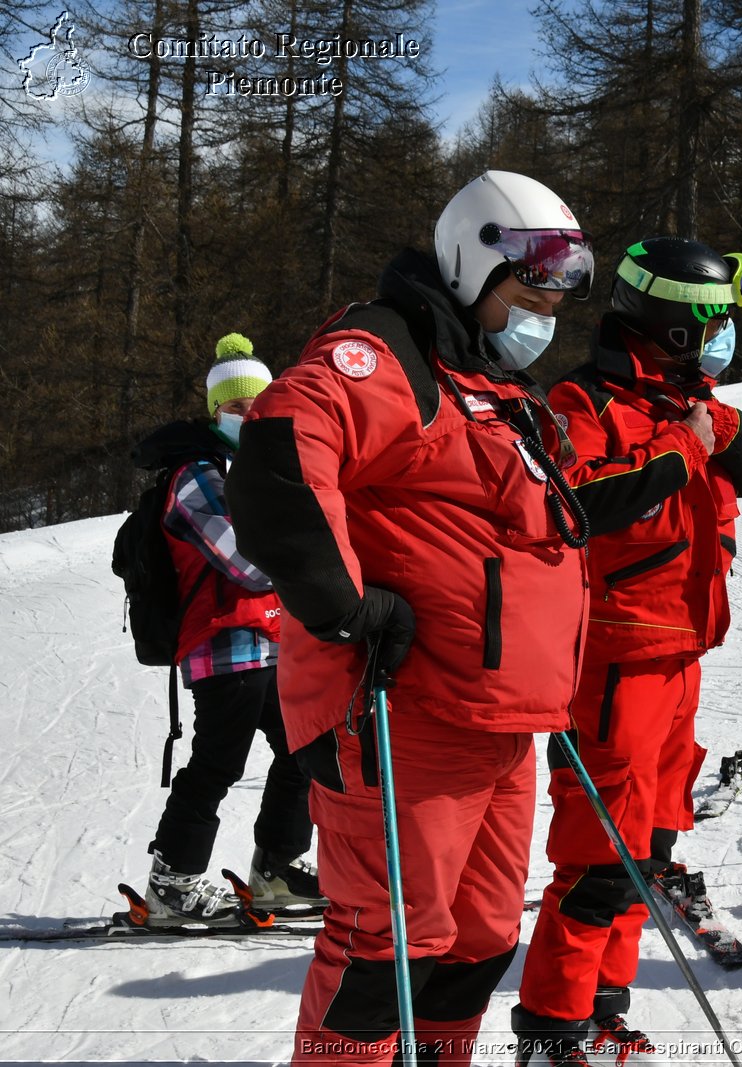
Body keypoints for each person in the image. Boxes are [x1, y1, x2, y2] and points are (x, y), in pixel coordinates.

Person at [224, 171, 595, 1066]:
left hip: (501, 723)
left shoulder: (487, 385)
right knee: (386, 949)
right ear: (473, 265)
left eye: (562, 285)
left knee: (478, 941)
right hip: (402, 714)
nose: (549, 306)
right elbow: (280, 454)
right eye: (533, 282)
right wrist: (348, 608)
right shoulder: (388, 353)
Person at [512, 236, 742, 1066]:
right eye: (715, 321)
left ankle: (603, 1005)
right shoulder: (581, 400)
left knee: (647, 852)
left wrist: (711, 425)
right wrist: (684, 446)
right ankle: (551, 1027)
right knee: (600, 855)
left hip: (679, 658)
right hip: (614, 659)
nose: (724, 336)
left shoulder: (689, 402)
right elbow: (583, 498)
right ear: (673, 326)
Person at [138, 333, 319, 924]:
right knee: (219, 761)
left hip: (268, 639)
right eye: (237, 407)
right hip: (222, 644)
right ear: (216, 410)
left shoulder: (245, 469)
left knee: (300, 752)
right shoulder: (197, 475)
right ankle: (174, 884)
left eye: (257, 405)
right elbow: (244, 560)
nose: (249, 415)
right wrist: (311, 561)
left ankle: (277, 868)